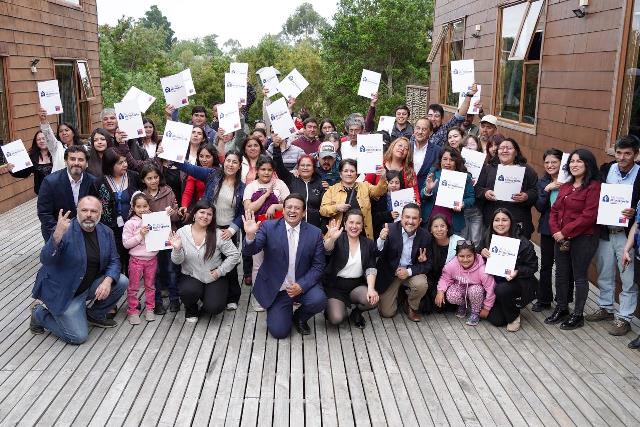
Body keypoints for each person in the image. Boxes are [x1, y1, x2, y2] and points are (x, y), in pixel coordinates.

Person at [29, 196, 129, 344]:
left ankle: (94, 315)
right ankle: (39, 314)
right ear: (77, 211)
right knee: (77, 337)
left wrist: (107, 281)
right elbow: (46, 259)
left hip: (86, 286)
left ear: (100, 213)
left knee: (121, 281)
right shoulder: (65, 230)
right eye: (84, 210)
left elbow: (114, 260)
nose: (89, 214)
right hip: (64, 293)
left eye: (93, 211)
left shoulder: (106, 232)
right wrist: (57, 235)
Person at [242, 194, 327, 338]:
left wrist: (301, 285)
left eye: (297, 208)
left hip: (302, 285)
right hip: (278, 288)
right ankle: (279, 312)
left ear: (304, 212)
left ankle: (299, 317)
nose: (292, 211)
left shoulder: (315, 233)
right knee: (279, 332)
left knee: (319, 300)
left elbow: (318, 266)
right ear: (283, 209)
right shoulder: (268, 227)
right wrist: (250, 236)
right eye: (289, 207)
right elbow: (250, 250)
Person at [174, 150, 246, 310]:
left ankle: (232, 296)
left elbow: (242, 213)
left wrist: (233, 229)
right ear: (224, 162)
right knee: (206, 259)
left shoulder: (242, 187)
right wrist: (172, 155)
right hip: (208, 225)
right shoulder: (212, 175)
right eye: (228, 161)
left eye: (235, 162)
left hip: (228, 229)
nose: (230, 165)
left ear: (239, 165)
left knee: (230, 264)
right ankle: (202, 292)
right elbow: (189, 168)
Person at [585, 135, 640, 335]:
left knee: (628, 278)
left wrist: (634, 211)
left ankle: (624, 317)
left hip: (627, 235)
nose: (622, 157)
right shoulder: (607, 169)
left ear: (636, 154)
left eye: (627, 153)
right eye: (619, 153)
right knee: (605, 272)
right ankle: (606, 307)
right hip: (605, 231)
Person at [546, 149, 601, 330]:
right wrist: (556, 231)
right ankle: (562, 308)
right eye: (572, 161)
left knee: (579, 277)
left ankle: (578, 315)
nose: (574, 164)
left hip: (583, 238)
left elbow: (588, 216)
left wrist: (565, 232)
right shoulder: (567, 185)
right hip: (560, 238)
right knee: (561, 274)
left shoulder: (593, 187)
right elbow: (554, 210)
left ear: (588, 164)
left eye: (579, 161)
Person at [171, 200, 241, 322]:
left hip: (213, 276)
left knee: (214, 307)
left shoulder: (218, 234)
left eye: (209, 214)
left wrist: (220, 271)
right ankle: (191, 308)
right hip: (191, 275)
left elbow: (234, 254)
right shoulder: (182, 232)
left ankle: (206, 300)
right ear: (194, 214)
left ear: (212, 218)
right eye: (202, 212)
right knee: (188, 291)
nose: (205, 216)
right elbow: (177, 261)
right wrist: (177, 249)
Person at [481, 208, 538, 332]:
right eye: (497, 220)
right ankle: (503, 305)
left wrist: (517, 271)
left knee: (502, 289)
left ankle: (514, 316)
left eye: (504, 220)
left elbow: (533, 266)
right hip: (493, 282)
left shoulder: (523, 243)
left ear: (511, 222)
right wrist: (481, 251)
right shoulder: (488, 237)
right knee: (497, 320)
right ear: (492, 223)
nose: (500, 223)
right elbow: (475, 252)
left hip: (516, 283)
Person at [375, 203, 430, 322]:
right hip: (391, 273)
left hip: (411, 272)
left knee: (421, 284)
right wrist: (381, 240)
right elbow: (376, 254)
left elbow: (428, 264)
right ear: (401, 218)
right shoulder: (389, 229)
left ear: (420, 221)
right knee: (387, 313)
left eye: (414, 218)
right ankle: (399, 294)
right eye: (407, 217)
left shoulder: (425, 236)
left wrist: (409, 271)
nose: (410, 221)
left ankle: (410, 305)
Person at [323, 213, 379, 328]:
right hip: (335, 287)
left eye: (358, 223)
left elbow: (371, 267)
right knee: (336, 318)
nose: (354, 226)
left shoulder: (368, 243)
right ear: (345, 224)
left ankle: (356, 313)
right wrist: (332, 238)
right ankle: (332, 307)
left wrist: (371, 288)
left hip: (356, 286)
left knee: (372, 300)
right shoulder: (338, 238)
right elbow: (327, 250)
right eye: (351, 222)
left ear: (362, 226)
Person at [475, 138, 538, 239]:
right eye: (501, 148)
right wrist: (485, 192)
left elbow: (535, 191)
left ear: (516, 152)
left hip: (518, 219)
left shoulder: (527, 170)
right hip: (493, 220)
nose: (505, 151)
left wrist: (526, 196)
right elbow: (477, 188)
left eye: (509, 148)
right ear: (497, 152)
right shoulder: (488, 169)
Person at [139, 162, 180, 315]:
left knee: (171, 269)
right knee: (154, 272)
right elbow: (134, 214)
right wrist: (144, 215)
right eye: (149, 178)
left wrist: (172, 213)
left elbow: (177, 215)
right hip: (151, 240)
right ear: (143, 180)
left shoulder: (168, 192)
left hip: (169, 237)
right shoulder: (141, 196)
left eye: (156, 177)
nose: (153, 181)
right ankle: (156, 302)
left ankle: (175, 299)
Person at [37, 145, 97, 241]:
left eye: (81, 160)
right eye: (72, 159)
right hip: (57, 233)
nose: (76, 163)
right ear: (65, 162)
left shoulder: (93, 182)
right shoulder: (50, 182)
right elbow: (44, 213)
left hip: (86, 233)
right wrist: (59, 230)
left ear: (86, 163)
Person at [94, 147, 139, 271]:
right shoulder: (99, 182)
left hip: (133, 227)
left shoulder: (133, 176)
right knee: (115, 258)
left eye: (125, 161)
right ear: (110, 165)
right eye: (120, 163)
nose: (125, 164)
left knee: (132, 261)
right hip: (111, 229)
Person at [320, 159, 388, 239]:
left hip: (362, 235)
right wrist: (336, 208)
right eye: (345, 171)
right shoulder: (332, 190)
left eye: (352, 171)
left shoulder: (365, 186)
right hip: (338, 236)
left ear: (356, 174)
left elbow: (379, 192)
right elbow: (323, 210)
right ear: (340, 174)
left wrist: (383, 177)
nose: (349, 174)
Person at [533, 148, 566, 312]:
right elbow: (539, 206)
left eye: (554, 162)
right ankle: (544, 299)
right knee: (546, 265)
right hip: (548, 229)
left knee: (563, 267)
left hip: (566, 230)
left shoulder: (569, 181)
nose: (550, 165)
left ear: (562, 163)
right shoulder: (542, 182)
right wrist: (547, 189)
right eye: (547, 162)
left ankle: (563, 301)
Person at [436, 240, 495, 326]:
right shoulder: (452, 265)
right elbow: (445, 278)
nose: (465, 259)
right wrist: (440, 291)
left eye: (469, 256)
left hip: (478, 294)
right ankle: (463, 304)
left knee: (475, 290)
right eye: (461, 256)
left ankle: (475, 312)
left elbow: (491, 289)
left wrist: (487, 308)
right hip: (463, 289)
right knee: (451, 294)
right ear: (457, 255)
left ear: (475, 255)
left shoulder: (482, 270)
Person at [272, 135, 325, 229]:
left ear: (313, 168)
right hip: (292, 227)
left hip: (314, 228)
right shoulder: (291, 179)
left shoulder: (320, 183)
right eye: (302, 165)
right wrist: (276, 147)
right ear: (298, 167)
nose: (305, 168)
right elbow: (278, 166)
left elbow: (324, 209)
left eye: (308, 165)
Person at [122, 192, 158, 324]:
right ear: (133, 207)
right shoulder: (130, 224)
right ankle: (133, 310)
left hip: (152, 259)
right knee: (133, 287)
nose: (142, 209)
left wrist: (166, 215)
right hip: (136, 260)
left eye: (145, 206)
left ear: (149, 206)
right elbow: (126, 244)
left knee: (150, 286)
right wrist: (140, 235)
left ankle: (150, 309)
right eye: (138, 206)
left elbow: (161, 233)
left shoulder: (154, 220)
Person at [421, 146, 475, 233]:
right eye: (445, 159)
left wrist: (462, 204)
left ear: (456, 162)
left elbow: (471, 198)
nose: (448, 163)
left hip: (453, 221)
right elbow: (422, 195)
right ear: (440, 160)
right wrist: (428, 190)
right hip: (431, 219)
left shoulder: (465, 177)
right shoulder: (433, 172)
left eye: (451, 160)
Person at [364, 137, 419, 203]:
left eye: (406, 148)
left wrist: (416, 201)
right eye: (400, 145)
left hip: (400, 207)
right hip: (377, 206)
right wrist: (374, 192)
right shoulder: (378, 163)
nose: (402, 149)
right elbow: (366, 185)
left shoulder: (409, 169)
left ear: (408, 153)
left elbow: (415, 190)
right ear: (393, 146)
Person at [8, 130, 53, 194]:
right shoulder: (32, 157)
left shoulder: (56, 154)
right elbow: (25, 173)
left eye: (44, 138)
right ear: (36, 142)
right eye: (38, 139)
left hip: (58, 191)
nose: (41, 141)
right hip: (42, 194)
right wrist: (12, 170)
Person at [179, 143, 219, 215]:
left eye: (208, 157)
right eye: (201, 156)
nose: (204, 160)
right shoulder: (195, 172)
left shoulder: (219, 173)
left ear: (214, 157)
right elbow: (188, 192)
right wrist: (184, 206)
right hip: (201, 209)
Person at [38, 107, 80, 172]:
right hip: (59, 178)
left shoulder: (82, 148)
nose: (64, 133)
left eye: (67, 130)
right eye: (61, 131)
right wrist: (43, 120)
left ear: (73, 133)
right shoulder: (56, 147)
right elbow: (47, 134)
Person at [411, 117, 443, 192]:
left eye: (424, 129)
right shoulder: (406, 147)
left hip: (426, 192)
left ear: (430, 132)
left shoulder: (437, 151)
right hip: (406, 191)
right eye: (418, 128)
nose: (420, 132)